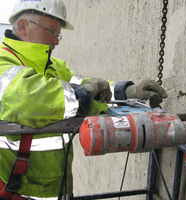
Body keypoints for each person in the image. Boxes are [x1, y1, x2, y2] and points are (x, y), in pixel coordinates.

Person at [0, 0, 167, 199]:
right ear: (23, 26)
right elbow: (32, 99)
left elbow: (90, 87)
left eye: (58, 34)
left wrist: (129, 91)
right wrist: (83, 93)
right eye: (51, 32)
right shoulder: (4, 62)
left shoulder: (52, 65)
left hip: (57, 186)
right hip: (18, 190)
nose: (57, 41)